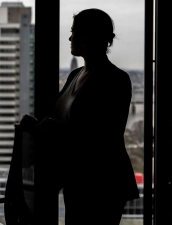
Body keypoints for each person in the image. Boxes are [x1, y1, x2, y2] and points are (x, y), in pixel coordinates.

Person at [21, 8, 140, 225]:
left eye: (74, 32)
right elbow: (64, 122)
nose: (70, 37)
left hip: (102, 183)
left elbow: (105, 136)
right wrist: (38, 125)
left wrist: (54, 130)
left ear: (88, 37)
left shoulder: (116, 80)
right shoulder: (75, 74)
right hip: (77, 180)